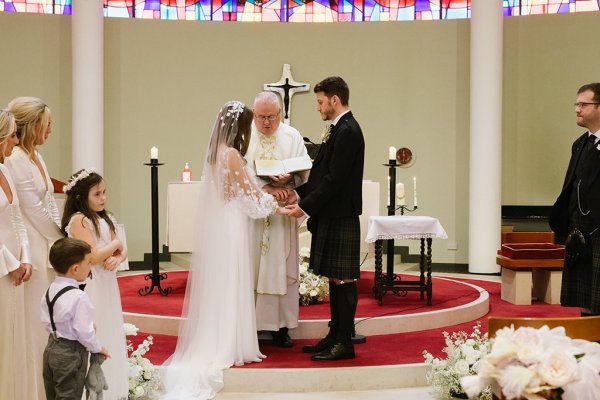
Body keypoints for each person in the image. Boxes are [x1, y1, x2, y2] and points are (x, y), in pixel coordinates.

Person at [161, 101, 290, 399]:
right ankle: (229, 344)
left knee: (223, 283)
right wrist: (279, 207)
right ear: (240, 127)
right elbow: (251, 199)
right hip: (233, 224)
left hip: (224, 221)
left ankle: (224, 338)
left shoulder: (214, 154)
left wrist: (266, 199)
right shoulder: (231, 155)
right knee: (232, 281)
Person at [287, 76, 365, 361]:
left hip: (340, 214)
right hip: (333, 213)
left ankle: (344, 342)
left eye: (320, 101)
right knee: (335, 279)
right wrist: (296, 191)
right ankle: (334, 335)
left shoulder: (348, 131)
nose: (318, 107)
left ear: (334, 99)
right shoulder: (338, 128)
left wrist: (305, 206)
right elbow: (321, 175)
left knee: (344, 280)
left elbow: (334, 181)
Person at [4, 96, 63, 398]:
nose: (51, 130)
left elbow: (49, 201)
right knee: (36, 318)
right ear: (32, 127)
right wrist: (63, 239)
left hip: (45, 240)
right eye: (47, 125)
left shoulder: (36, 156)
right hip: (29, 241)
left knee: (49, 315)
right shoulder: (14, 159)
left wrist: (60, 236)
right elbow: (32, 210)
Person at [245, 91, 310, 348]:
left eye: (271, 117)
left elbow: (305, 170)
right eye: (260, 117)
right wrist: (266, 186)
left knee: (279, 268)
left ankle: (281, 326)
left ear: (280, 114)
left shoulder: (292, 136)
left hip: (282, 213)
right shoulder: (245, 135)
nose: (266, 123)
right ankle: (250, 325)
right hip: (255, 214)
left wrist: (290, 182)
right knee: (253, 266)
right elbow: (241, 172)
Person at [61, 169, 129, 399]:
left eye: (104, 192)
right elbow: (92, 255)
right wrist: (116, 243)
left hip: (108, 283)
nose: (103, 198)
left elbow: (121, 251)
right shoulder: (78, 220)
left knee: (110, 327)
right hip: (91, 285)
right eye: (97, 194)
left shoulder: (102, 217)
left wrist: (118, 256)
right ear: (82, 197)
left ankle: (111, 387)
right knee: (94, 327)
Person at [550, 82, 600, 317]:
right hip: (580, 231)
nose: (577, 109)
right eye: (576, 104)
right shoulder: (579, 144)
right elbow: (571, 185)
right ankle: (591, 345)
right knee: (584, 298)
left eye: (583, 104)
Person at [41, 237, 110, 400]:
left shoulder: (50, 289)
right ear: (76, 268)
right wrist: (98, 348)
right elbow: (83, 332)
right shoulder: (79, 297)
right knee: (69, 395)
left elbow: (47, 320)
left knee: (52, 394)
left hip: (51, 348)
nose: (90, 267)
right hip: (70, 354)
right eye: (88, 263)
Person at [0, 109, 33, 400]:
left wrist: (26, 258)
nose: (15, 141)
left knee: (13, 339)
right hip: (1, 269)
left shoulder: (6, 168)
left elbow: (17, 217)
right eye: (12, 135)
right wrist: (9, 263)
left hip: (15, 271)